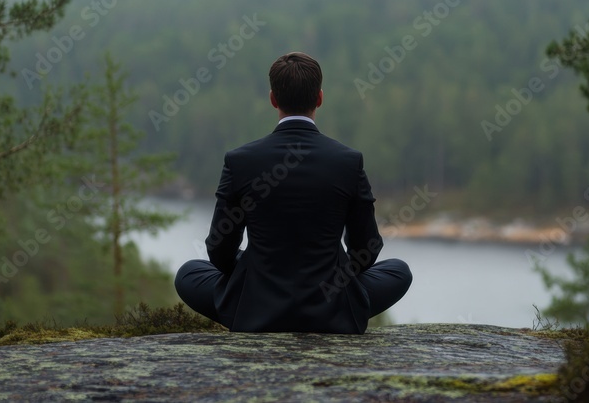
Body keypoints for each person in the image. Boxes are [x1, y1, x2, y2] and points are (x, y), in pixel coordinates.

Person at [174, 51, 412, 333]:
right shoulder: (348, 161)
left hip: (256, 309)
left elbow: (218, 249)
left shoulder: (240, 161)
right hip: (331, 308)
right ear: (320, 98)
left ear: (273, 98)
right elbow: (367, 247)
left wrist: (254, 270)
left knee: (189, 273)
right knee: (398, 271)